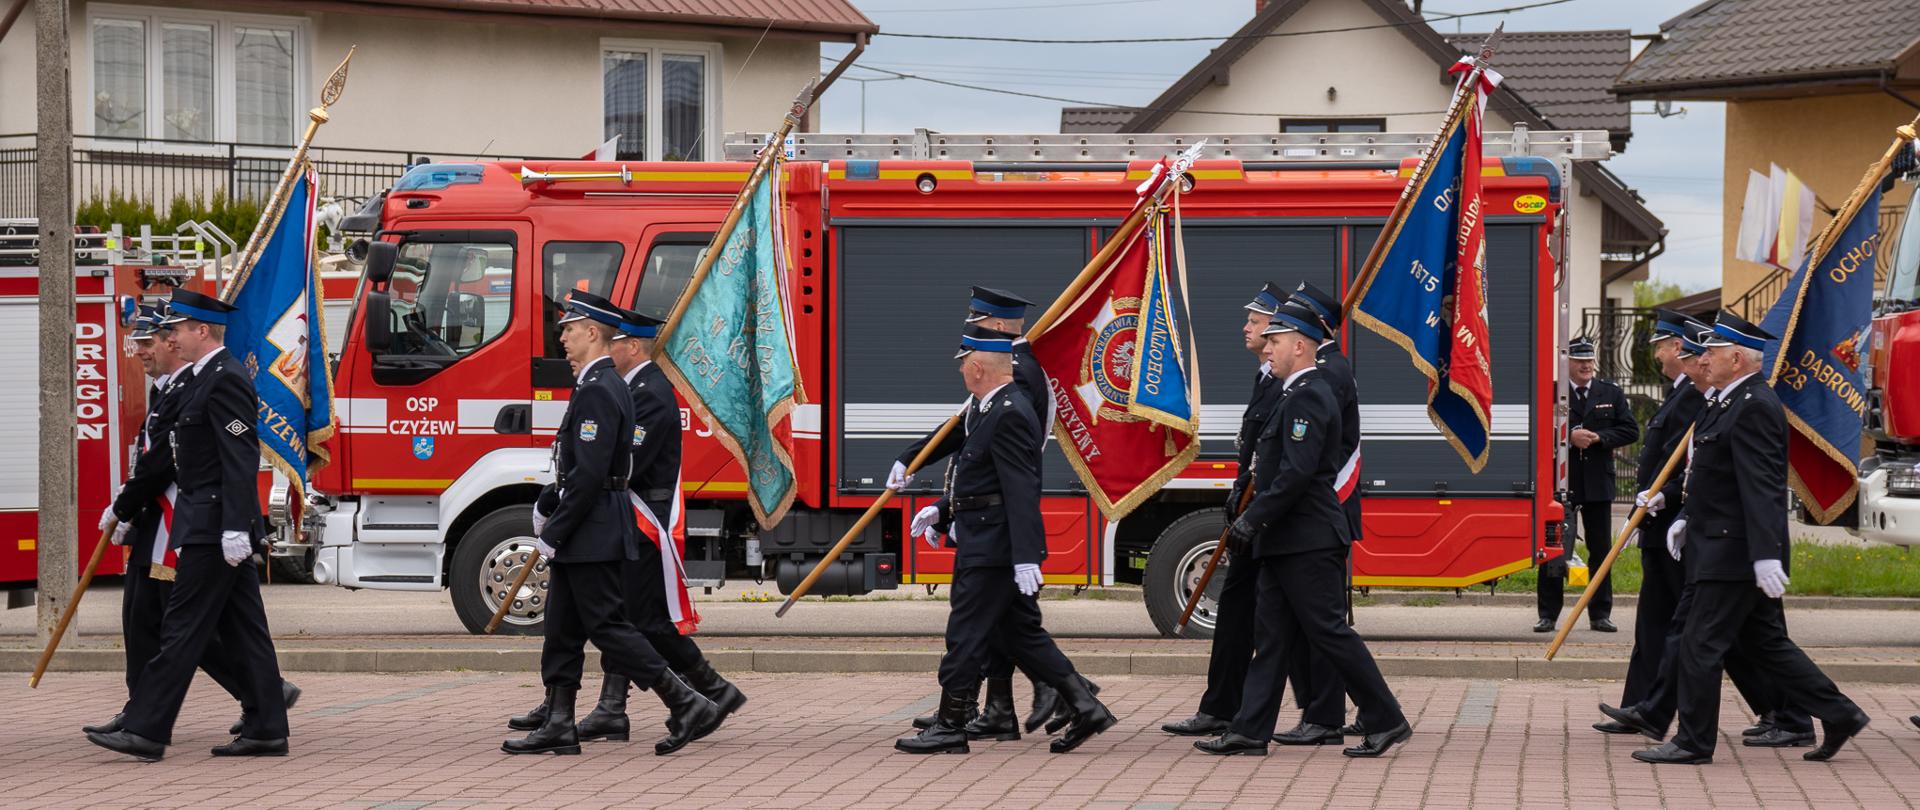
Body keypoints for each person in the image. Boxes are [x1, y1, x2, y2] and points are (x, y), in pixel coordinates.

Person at [1632, 312, 1869, 765]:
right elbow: (1714, 476)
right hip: (1715, 543)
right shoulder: (1726, 401)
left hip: (1733, 551)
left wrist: (1765, 555)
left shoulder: (1755, 405)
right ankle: (1840, 713)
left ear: (1736, 358)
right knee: (1766, 645)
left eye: (1713, 352)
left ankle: (1693, 741)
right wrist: (1684, 515)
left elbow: (1759, 486)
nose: (1703, 360)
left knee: (1699, 647)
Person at [503, 290, 723, 757]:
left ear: (591, 332)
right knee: (561, 627)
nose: (561, 337)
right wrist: (549, 505)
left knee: (608, 628)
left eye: (568, 329)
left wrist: (554, 530)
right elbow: (574, 467)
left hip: (594, 527)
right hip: (586, 525)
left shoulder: (603, 388)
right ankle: (559, 721)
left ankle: (686, 701)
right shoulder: (594, 383)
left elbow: (591, 474)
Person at [1195, 301, 1409, 758]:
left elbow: (1296, 474)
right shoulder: (1291, 393)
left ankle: (1387, 717)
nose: (1266, 349)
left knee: (1330, 632)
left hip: (1307, 540)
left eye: (1274, 341)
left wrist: (1253, 519)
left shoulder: (1310, 394)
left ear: (1299, 345)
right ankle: (1251, 731)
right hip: (1285, 540)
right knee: (1272, 638)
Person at [87, 289, 290, 761]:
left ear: (202, 331)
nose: (170, 338)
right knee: (244, 630)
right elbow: (168, 456)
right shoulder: (200, 379)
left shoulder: (227, 379)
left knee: (181, 627)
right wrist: (126, 505)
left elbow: (239, 454)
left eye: (176, 330)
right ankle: (265, 727)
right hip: (207, 522)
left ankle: (146, 729)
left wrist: (238, 524)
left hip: (213, 523)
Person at [894, 324, 1114, 755]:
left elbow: (1020, 486)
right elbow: (977, 473)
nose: (960, 372)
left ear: (977, 367)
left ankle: (952, 725)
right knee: (1020, 635)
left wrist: (1026, 555)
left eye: (962, 365)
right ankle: (1085, 706)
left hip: (993, 545)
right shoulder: (986, 407)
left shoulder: (1009, 411)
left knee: (965, 633)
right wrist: (941, 507)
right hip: (987, 538)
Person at [1597, 318, 1811, 748]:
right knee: (1675, 629)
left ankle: (1797, 714)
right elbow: (1701, 470)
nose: (1698, 359)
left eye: (1704, 353)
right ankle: (1652, 709)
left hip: (1727, 543)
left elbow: (1752, 483)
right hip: (1692, 531)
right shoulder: (1704, 398)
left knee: (1726, 638)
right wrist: (1671, 508)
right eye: (1701, 353)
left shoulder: (1737, 402)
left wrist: (1679, 507)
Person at [563, 304, 748, 741]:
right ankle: (617, 706)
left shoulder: (648, 391)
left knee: (639, 619)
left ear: (632, 345)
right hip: (629, 516)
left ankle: (710, 691)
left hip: (643, 518)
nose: (606, 350)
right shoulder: (632, 386)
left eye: (614, 343)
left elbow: (630, 460)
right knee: (629, 615)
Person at [1162, 282, 1287, 740]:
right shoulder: (1264, 377)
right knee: (1239, 611)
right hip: (1249, 508)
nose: (1246, 328)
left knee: (1301, 623)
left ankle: (1339, 713)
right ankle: (1221, 707)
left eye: (1255, 322)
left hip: (1266, 513)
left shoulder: (1284, 382)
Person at [1604, 310, 1706, 715]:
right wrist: (1637, 512)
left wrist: (1663, 501)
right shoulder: (1679, 393)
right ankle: (1640, 707)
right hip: (1656, 523)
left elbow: (1687, 466)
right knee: (1652, 622)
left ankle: (1783, 710)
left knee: (1693, 630)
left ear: (1677, 347)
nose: (1658, 355)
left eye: (1660, 347)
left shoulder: (1694, 396)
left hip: (1673, 528)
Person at [1537, 338, 1638, 633]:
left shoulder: (1610, 393)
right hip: (1561, 483)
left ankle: (1600, 613)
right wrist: (1569, 436)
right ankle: (1548, 614)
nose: (1586, 365)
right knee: (1554, 548)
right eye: (1580, 360)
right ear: (1567, 362)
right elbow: (1539, 428)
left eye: (1589, 360)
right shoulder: (1553, 392)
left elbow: (1630, 429)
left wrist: (1598, 438)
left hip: (1597, 482)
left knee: (1600, 550)